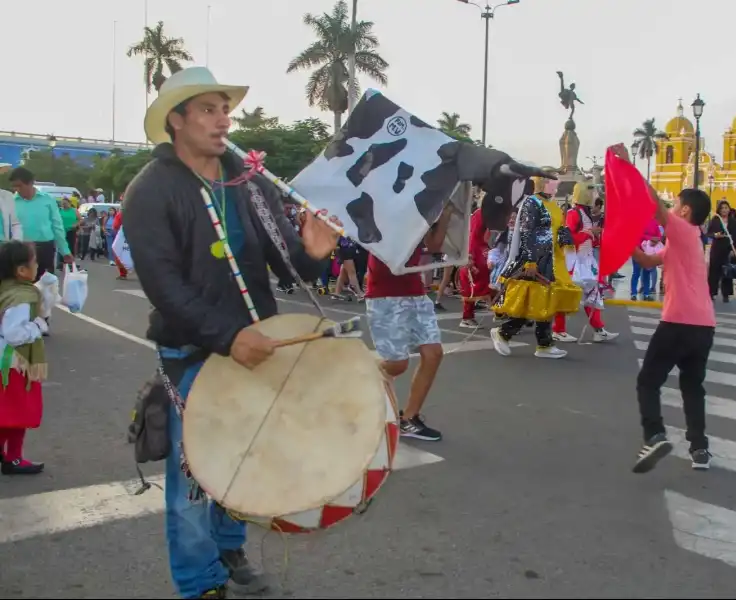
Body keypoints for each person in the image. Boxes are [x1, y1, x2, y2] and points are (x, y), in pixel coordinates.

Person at [123, 66, 339, 600]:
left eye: (226, 109)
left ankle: (229, 544)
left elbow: (288, 264)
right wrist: (227, 335)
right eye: (209, 110)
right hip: (192, 349)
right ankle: (200, 583)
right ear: (176, 120)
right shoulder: (150, 190)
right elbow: (163, 285)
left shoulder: (247, 179)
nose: (224, 120)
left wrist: (313, 254)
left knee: (244, 456)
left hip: (255, 343)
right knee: (195, 478)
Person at [626, 142, 715, 473]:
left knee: (648, 381)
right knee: (693, 386)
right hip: (703, 327)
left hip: (678, 322)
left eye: (677, 204)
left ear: (686, 211)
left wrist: (629, 166)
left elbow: (655, 206)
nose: (673, 208)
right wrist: (623, 242)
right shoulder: (686, 240)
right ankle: (700, 449)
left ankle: (655, 435)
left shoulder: (682, 228)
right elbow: (648, 261)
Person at [365, 209, 453, 442]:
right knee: (396, 365)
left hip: (414, 291)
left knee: (433, 353)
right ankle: (359, 377)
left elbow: (433, 246)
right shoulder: (386, 207)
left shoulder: (421, 208)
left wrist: (444, 215)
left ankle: (409, 419)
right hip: (385, 293)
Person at [490, 177, 582, 359]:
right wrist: (530, 261)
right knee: (531, 302)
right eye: (553, 180)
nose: (557, 184)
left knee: (547, 301)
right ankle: (503, 332)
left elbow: (559, 230)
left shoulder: (554, 205)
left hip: (553, 260)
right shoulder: (532, 202)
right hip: (535, 260)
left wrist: (567, 244)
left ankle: (544, 344)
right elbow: (526, 231)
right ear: (542, 182)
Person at [0, 240, 47, 475]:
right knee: (19, 412)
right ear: (21, 270)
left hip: (6, 363)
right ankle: (14, 457)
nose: (37, 265)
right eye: (34, 261)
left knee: (6, 410)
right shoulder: (21, 297)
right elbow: (14, 333)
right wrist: (37, 326)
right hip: (16, 364)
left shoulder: (6, 288)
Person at [551, 182, 618, 343]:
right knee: (566, 295)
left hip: (586, 261)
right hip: (574, 262)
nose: (594, 195)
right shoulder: (574, 213)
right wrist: (589, 233)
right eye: (591, 192)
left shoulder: (584, 213)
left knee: (593, 294)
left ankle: (598, 329)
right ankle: (558, 330)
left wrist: (595, 237)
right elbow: (568, 238)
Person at [7, 167, 73, 278]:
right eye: (14, 186)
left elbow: (57, 227)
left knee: (46, 286)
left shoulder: (47, 200)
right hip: (20, 250)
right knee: (22, 287)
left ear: (31, 183)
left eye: (20, 185)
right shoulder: (11, 202)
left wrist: (65, 250)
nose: (17, 189)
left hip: (44, 248)